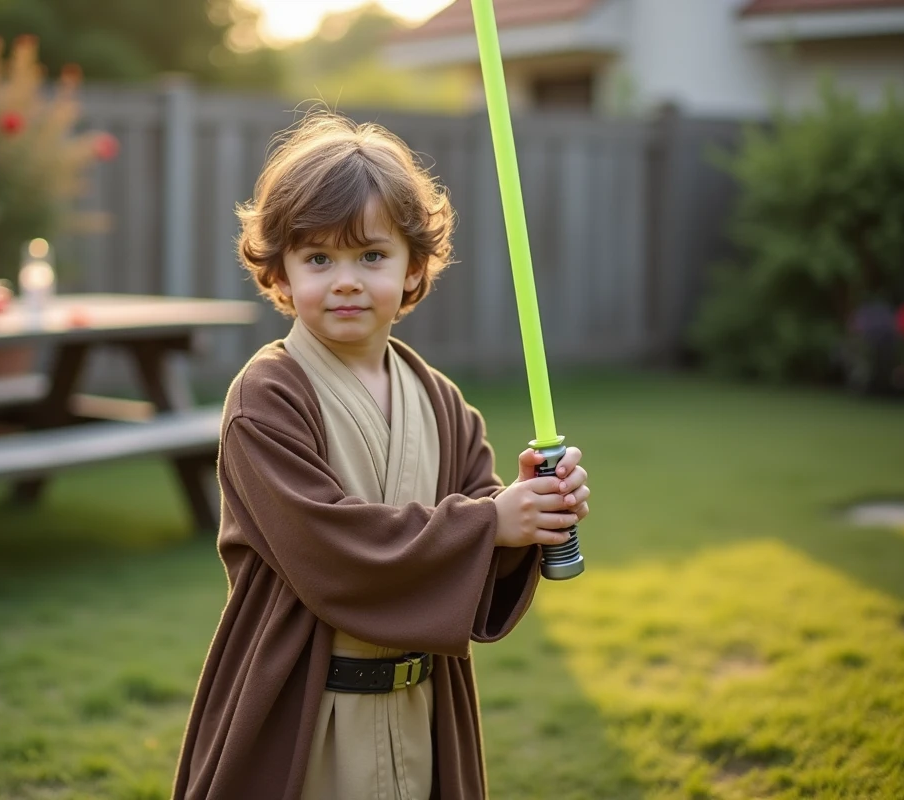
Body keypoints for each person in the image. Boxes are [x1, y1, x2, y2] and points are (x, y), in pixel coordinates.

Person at [173, 111, 591, 800]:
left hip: (422, 712)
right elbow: (328, 547)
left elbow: (483, 545)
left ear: (414, 267)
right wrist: (492, 524)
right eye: (318, 258)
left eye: (371, 256)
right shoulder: (266, 399)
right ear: (278, 273)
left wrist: (529, 513)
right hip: (304, 722)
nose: (345, 280)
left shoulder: (444, 402)